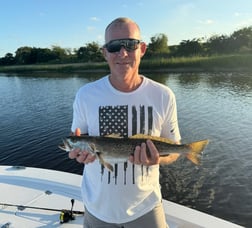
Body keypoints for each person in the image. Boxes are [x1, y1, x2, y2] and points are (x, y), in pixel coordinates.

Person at [69, 17, 181, 228]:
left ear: (143, 49)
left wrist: (158, 160)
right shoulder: (86, 95)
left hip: (146, 206)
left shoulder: (163, 95)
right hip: (97, 207)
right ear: (105, 52)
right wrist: (78, 153)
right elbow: (78, 139)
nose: (122, 53)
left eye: (130, 45)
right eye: (114, 47)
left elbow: (174, 150)